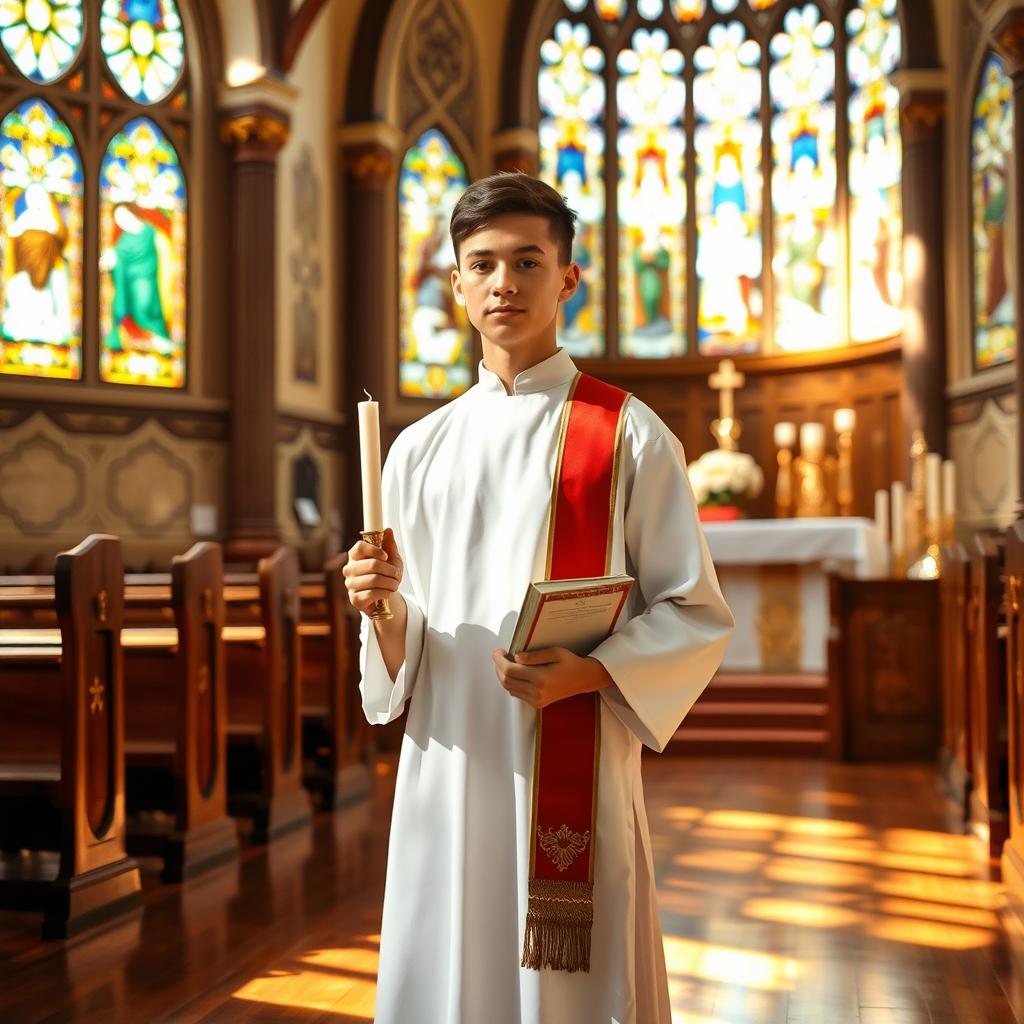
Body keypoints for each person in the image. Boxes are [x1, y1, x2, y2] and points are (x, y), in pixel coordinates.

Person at [344, 172, 734, 1024]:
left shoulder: (626, 433)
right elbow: (408, 645)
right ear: (454, 283)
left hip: (570, 755)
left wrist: (592, 676)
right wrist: (382, 610)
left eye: (528, 261)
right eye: (481, 264)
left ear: (568, 277)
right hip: (448, 761)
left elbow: (694, 611)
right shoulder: (417, 450)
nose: (503, 283)